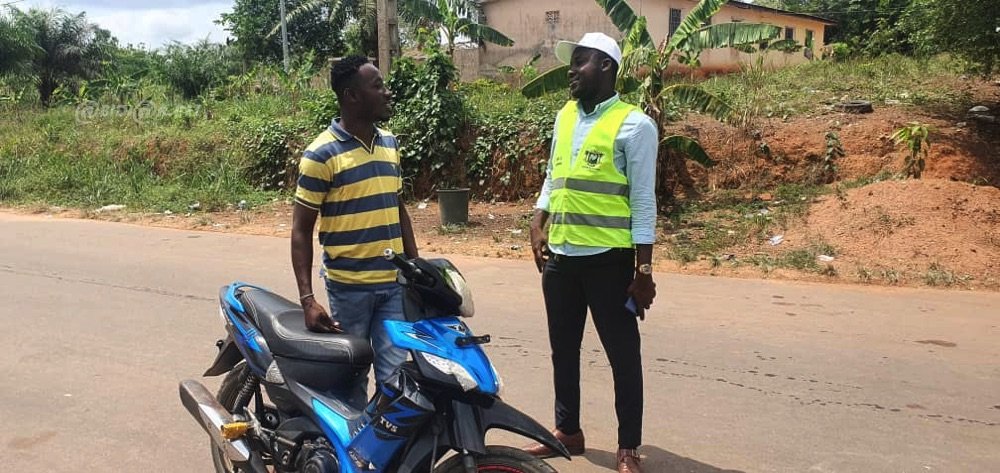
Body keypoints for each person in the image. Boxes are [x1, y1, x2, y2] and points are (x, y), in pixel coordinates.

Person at [523, 33, 657, 473]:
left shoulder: (634, 125)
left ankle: (627, 448)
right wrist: (538, 219)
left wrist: (644, 268)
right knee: (563, 348)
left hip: (608, 260)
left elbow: (643, 202)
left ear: (606, 67)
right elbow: (553, 174)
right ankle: (568, 431)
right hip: (560, 258)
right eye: (571, 62)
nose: (571, 70)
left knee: (623, 355)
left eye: (580, 61)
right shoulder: (564, 116)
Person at [290, 55, 419, 409]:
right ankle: (349, 459)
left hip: (394, 286)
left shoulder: (389, 143)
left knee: (395, 379)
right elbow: (301, 230)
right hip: (349, 290)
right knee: (351, 378)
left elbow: (397, 206)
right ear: (352, 96)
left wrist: (416, 265)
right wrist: (307, 299)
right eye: (377, 85)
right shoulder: (321, 154)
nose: (387, 92)